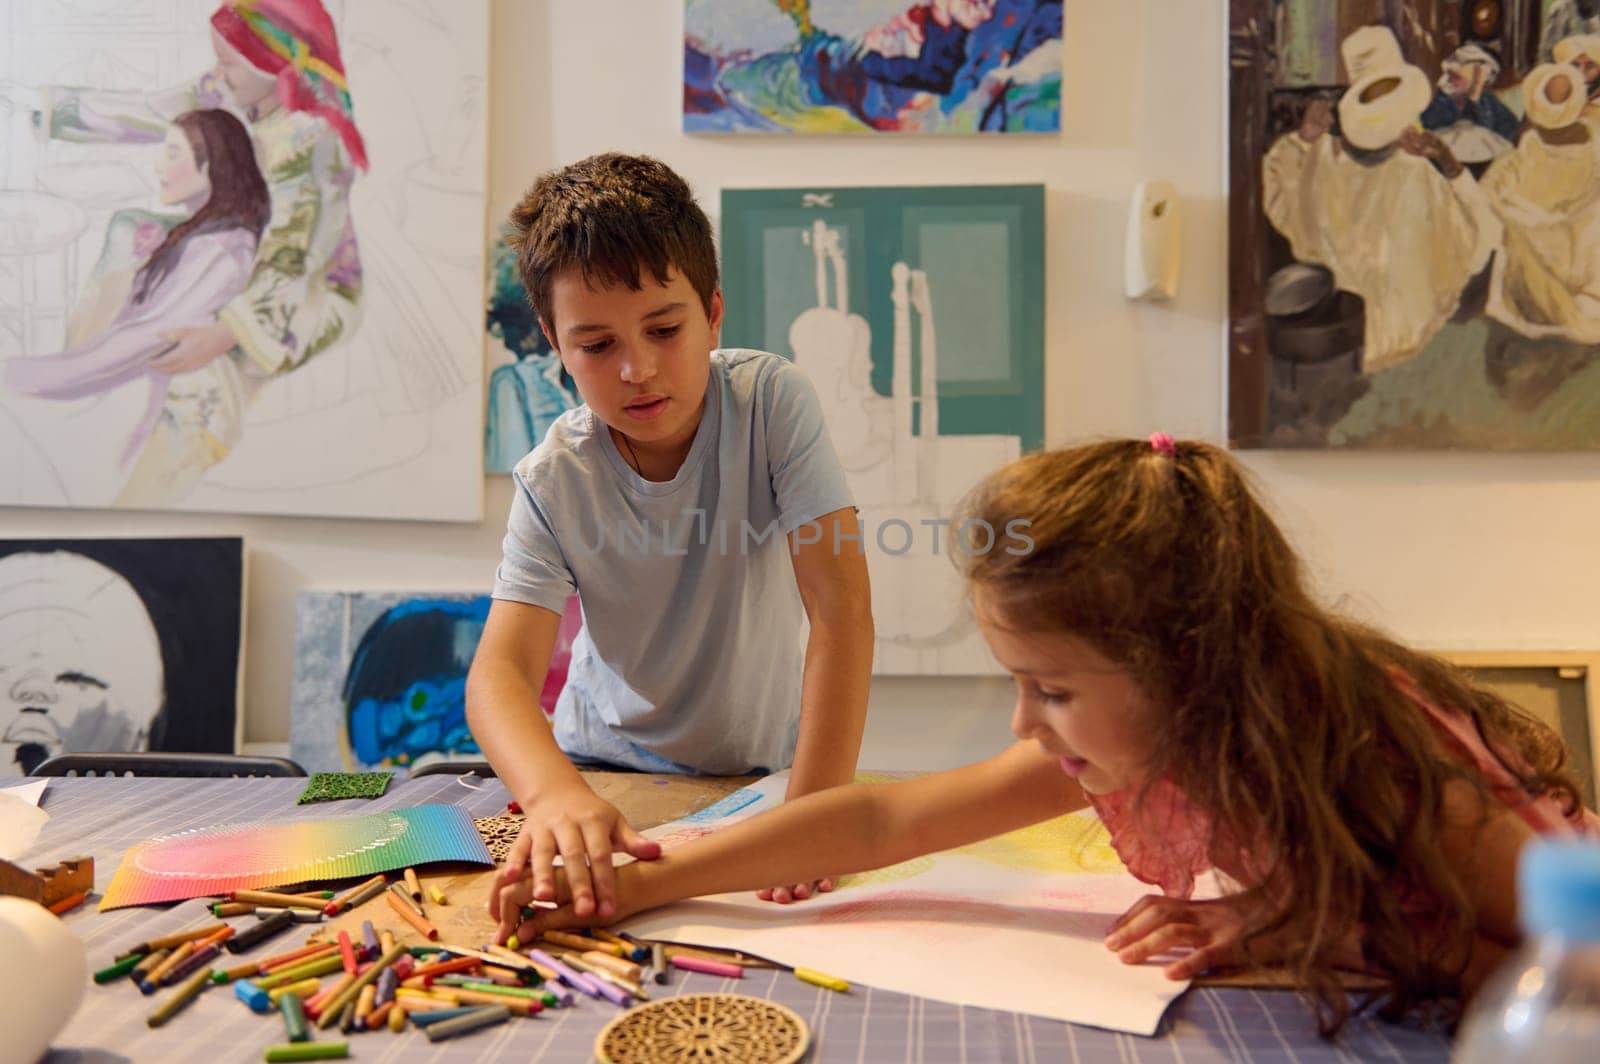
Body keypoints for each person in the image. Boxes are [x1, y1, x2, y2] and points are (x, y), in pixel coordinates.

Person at [497, 436, 1600, 1037]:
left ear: (1183, 662)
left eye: (1051, 689)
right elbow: (888, 814)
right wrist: (655, 878)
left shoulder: (1401, 769)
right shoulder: (1167, 727)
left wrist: (1302, 923)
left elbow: (1568, 978)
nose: (1025, 721)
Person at [468, 153, 875, 922]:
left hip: (758, 777)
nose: (637, 368)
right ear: (555, 344)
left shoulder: (770, 403)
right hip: (596, 775)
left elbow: (842, 612)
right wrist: (555, 794)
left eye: (664, 328)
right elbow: (498, 677)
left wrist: (815, 815)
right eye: (596, 346)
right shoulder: (554, 476)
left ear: (713, 313)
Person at [20, 0, 368, 504]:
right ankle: (89, 369)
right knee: (129, 229)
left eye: (228, 61)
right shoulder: (228, 88)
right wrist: (41, 110)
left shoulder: (311, 138)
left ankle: (143, 502)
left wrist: (225, 332)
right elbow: (153, 113)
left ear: (271, 62)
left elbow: (296, 257)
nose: (217, 72)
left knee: (202, 380)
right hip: (236, 242)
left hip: (305, 292)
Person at [2, 109, 268, 475]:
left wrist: (33, 375)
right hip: (116, 383)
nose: (159, 166)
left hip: (131, 399)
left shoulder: (224, 251)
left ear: (213, 166)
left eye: (173, 154)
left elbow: (149, 336)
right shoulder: (204, 236)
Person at [1263, 25, 1500, 372]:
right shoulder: (1414, 173)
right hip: (1403, 335)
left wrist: (1301, 142)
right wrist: (1449, 165)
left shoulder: (1322, 158)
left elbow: (1284, 204)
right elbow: (1480, 237)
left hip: (1343, 332)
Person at [1482, 63, 1600, 345]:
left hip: (1543, 253)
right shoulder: (1590, 144)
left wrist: (1520, 212)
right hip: (1575, 254)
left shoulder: (1529, 148)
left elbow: (1490, 189)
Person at [1420, 43, 1518, 165]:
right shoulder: (1443, 98)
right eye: (1451, 76)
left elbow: (1509, 130)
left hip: (1483, 163)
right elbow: (1428, 122)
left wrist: (1474, 97)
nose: (1451, 80)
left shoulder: (1488, 101)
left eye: (1457, 77)